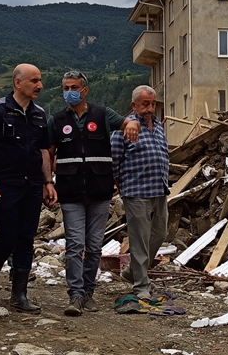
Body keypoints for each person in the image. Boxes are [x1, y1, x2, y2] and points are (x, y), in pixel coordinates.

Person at [48, 70, 139, 316]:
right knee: (75, 244)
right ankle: (75, 295)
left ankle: (89, 292)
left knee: (95, 246)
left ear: (85, 90)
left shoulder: (102, 114)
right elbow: (47, 152)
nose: (70, 92)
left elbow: (127, 122)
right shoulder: (56, 120)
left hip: (99, 191)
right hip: (70, 191)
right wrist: (48, 181)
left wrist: (131, 125)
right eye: (66, 87)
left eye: (74, 87)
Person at [0, 64, 56, 313]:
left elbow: (44, 151)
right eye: (34, 81)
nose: (39, 85)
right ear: (18, 83)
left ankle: (19, 294)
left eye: (40, 80)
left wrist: (47, 182)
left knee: (26, 238)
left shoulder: (40, 114)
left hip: (31, 185)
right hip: (4, 184)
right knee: (7, 236)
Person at [110, 85, 169, 303]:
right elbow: (115, 158)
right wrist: (119, 184)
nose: (150, 108)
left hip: (159, 188)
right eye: (145, 104)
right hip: (136, 190)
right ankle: (141, 285)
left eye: (153, 104)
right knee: (139, 239)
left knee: (160, 233)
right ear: (134, 105)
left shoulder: (159, 126)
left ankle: (132, 272)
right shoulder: (124, 128)